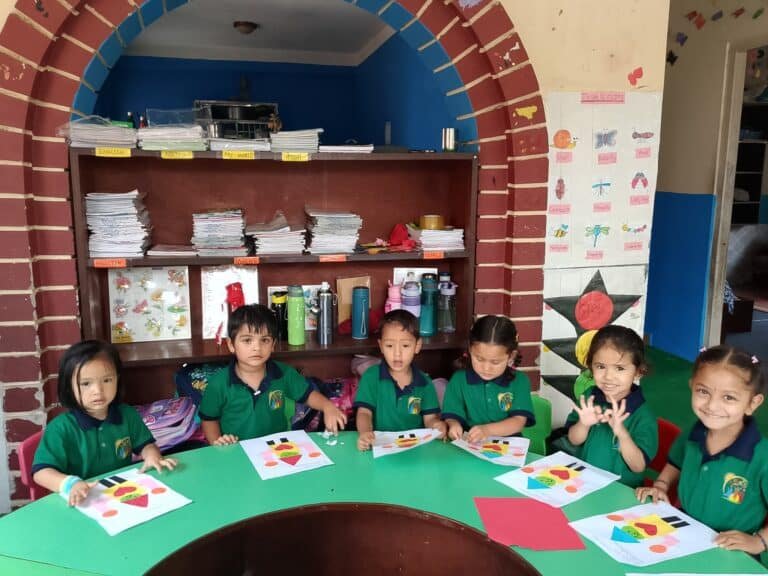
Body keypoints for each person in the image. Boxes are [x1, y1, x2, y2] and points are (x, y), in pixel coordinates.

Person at [636, 346, 768, 565]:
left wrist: (759, 542)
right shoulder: (694, 433)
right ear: (692, 387)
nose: (712, 406)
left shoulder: (762, 456)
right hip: (681, 532)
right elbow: (675, 464)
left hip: (731, 552)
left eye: (729, 397)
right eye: (703, 392)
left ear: (752, 403)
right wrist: (660, 484)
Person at [32, 340, 176, 506]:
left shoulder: (127, 414)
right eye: (86, 383)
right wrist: (70, 484)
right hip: (79, 502)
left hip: (119, 496)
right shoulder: (60, 428)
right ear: (68, 387)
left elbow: (146, 445)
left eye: (107, 380)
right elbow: (41, 472)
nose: (98, 391)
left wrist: (152, 456)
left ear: (117, 379)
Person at [199, 304, 346, 445]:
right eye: (247, 340)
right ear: (231, 345)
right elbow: (209, 419)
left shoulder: (284, 373)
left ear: (273, 345)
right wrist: (217, 444)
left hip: (276, 449)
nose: (257, 347)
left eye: (265, 340)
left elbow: (308, 395)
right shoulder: (219, 383)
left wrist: (328, 407)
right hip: (236, 451)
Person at [565, 325, 657, 487]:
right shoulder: (589, 397)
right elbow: (573, 439)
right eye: (600, 366)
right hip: (583, 483)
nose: (608, 377)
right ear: (591, 366)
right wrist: (583, 424)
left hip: (621, 493)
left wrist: (621, 433)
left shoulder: (643, 416)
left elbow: (638, 466)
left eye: (620, 368)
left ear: (638, 372)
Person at [354, 310, 446, 451]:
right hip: (381, 448)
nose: (397, 353)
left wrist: (437, 426)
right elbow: (364, 413)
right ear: (381, 346)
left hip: (414, 450)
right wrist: (365, 433)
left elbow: (430, 419)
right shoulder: (372, 377)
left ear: (417, 346)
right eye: (390, 346)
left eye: (405, 346)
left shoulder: (424, 382)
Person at [442, 315, 534, 443]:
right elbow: (452, 414)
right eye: (479, 359)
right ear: (470, 350)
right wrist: (453, 425)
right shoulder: (459, 379)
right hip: (469, 443)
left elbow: (518, 421)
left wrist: (487, 430)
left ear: (511, 356)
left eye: (495, 362)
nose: (486, 368)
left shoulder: (520, 381)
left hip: (508, 447)